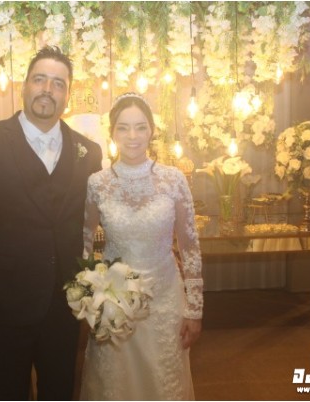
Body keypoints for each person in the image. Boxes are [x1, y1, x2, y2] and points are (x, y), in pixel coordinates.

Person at [0, 46, 102, 400]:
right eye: (39, 79)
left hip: (64, 302)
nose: (48, 89)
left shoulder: (88, 152)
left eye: (58, 83)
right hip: (3, 301)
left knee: (61, 390)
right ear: (24, 86)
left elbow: (90, 224)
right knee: (8, 389)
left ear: (68, 95)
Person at [79, 93, 203, 400]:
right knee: (116, 382)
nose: (132, 136)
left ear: (151, 131)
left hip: (165, 297)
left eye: (140, 127)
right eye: (123, 128)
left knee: (163, 379)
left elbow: (190, 247)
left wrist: (194, 309)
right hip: (115, 300)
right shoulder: (98, 183)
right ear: (112, 133)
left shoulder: (174, 180)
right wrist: (88, 295)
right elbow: (84, 242)